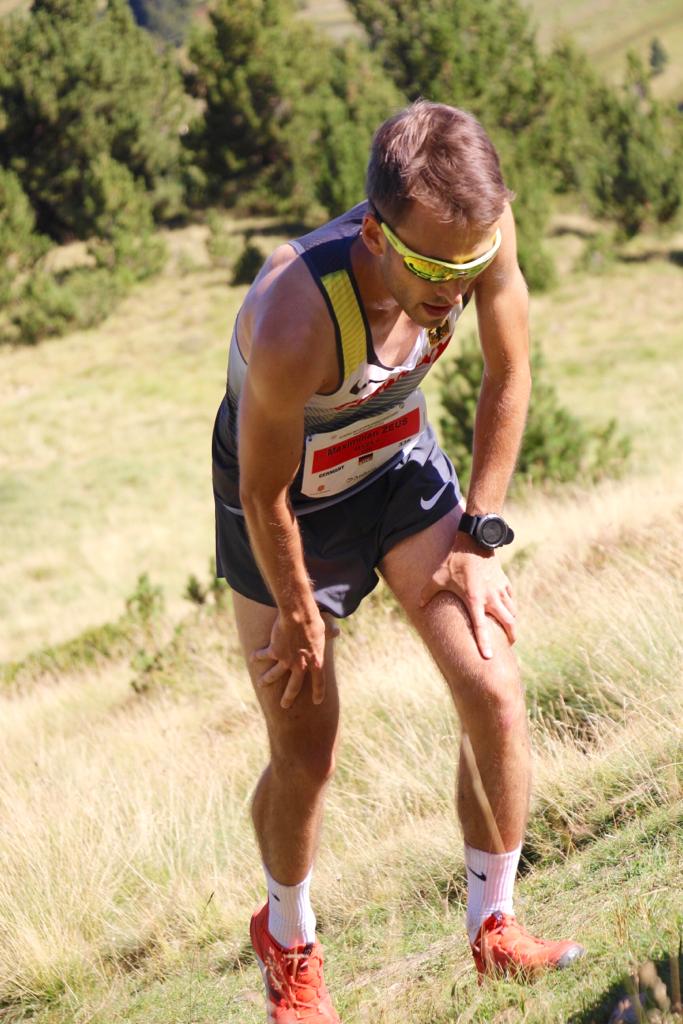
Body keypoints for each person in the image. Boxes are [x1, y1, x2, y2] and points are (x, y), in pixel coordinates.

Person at [212, 100, 584, 1022]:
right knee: (307, 745)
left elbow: (508, 371)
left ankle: (493, 926)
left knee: (493, 686)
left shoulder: (474, 238)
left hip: (397, 465)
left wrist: (479, 532)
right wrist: (300, 611)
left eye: (466, 267)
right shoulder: (294, 311)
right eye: (428, 269)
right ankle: (287, 939)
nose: (450, 290)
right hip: (287, 505)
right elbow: (263, 496)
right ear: (374, 231)